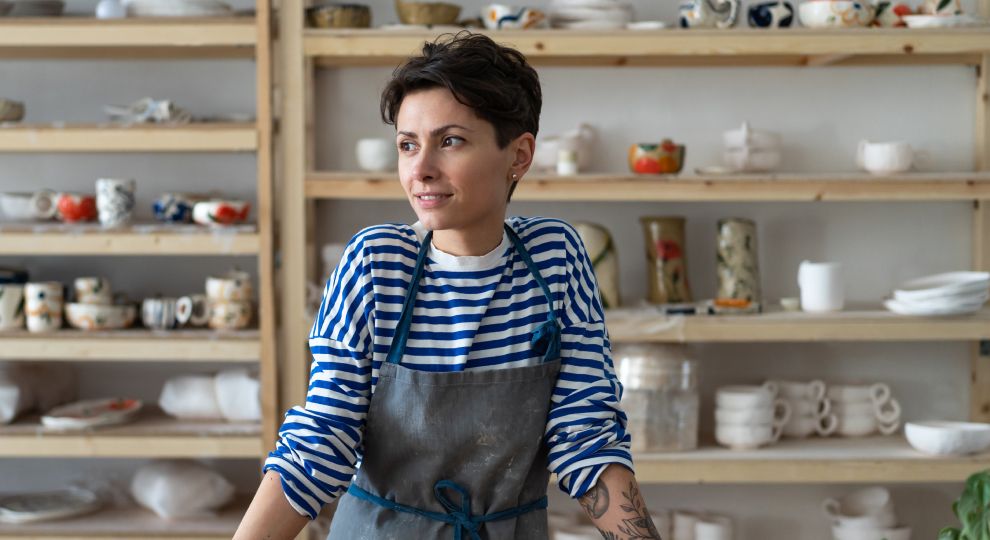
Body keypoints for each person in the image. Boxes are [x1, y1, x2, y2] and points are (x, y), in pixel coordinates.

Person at [235, 31, 662, 540]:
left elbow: (585, 438)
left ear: (519, 155)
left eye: (450, 141)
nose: (420, 170)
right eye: (408, 145)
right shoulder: (375, 264)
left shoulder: (555, 258)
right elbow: (322, 443)